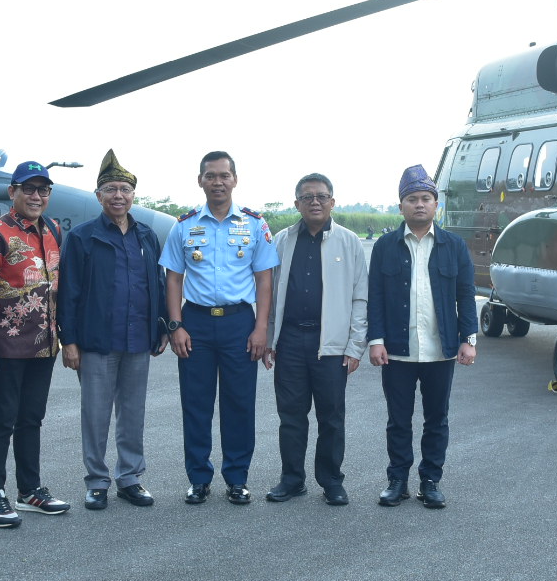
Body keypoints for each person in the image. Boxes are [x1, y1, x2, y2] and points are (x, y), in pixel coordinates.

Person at [160, 151, 279, 505]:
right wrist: (175, 326)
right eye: (210, 175)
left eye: (224, 175)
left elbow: (264, 281)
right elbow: (173, 279)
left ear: (235, 179)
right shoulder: (183, 226)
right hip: (194, 322)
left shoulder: (255, 225)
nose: (217, 181)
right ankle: (199, 478)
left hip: (239, 322)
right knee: (196, 404)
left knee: (239, 403)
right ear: (200, 180)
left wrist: (261, 329)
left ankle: (237, 479)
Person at [56, 150, 168, 510]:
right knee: (96, 413)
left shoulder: (147, 236)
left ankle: (130, 478)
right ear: (98, 195)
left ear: (134, 195)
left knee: (132, 412)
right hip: (96, 341)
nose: (118, 195)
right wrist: (69, 341)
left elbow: (159, 284)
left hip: (138, 339)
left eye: (124, 189)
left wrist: (162, 326)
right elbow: (69, 292)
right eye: (110, 189)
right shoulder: (82, 237)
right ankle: (97, 481)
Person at [367, 164, 478, 509]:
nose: (419, 204)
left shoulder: (453, 246)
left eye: (426, 198)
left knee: (436, 418)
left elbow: (465, 293)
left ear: (436, 205)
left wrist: (468, 339)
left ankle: (430, 481)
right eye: (412, 199)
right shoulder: (385, 246)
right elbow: (376, 297)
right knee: (398, 420)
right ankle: (397, 480)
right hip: (397, 351)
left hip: (441, 350)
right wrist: (376, 340)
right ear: (401, 206)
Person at [0, 160, 69, 528]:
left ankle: (30, 490)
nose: (36, 195)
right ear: (12, 192)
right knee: (2, 421)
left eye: (43, 189)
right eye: (29, 188)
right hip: (6, 348)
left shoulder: (54, 230)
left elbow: (59, 289)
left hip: (44, 346)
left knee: (32, 420)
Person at [264, 174, 367, 505]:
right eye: (307, 197)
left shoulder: (349, 242)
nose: (315, 202)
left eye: (322, 197)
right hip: (291, 340)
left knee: (331, 417)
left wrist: (355, 346)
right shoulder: (281, 240)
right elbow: (267, 293)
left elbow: (360, 298)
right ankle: (292, 479)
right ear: (296, 204)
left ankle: (332, 481)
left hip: (332, 345)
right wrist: (269, 338)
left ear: (333, 202)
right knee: (291, 415)